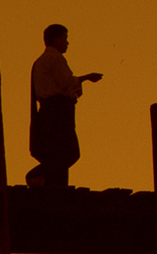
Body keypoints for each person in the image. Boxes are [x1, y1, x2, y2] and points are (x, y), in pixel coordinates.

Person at [26, 24, 102, 188]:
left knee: (54, 154)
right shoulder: (55, 59)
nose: (67, 43)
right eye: (65, 38)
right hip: (58, 111)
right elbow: (67, 82)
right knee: (70, 153)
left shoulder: (38, 62)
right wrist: (87, 77)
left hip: (46, 112)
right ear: (56, 39)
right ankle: (35, 176)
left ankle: (51, 184)